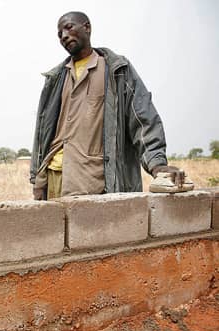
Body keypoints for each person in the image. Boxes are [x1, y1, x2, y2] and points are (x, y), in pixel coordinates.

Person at [30, 11, 185, 200]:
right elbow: (42, 133)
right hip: (55, 176)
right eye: (59, 33)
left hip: (94, 180)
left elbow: (143, 118)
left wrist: (157, 165)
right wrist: (37, 179)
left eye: (69, 27)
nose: (63, 35)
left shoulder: (116, 70)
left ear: (87, 27)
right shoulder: (55, 79)